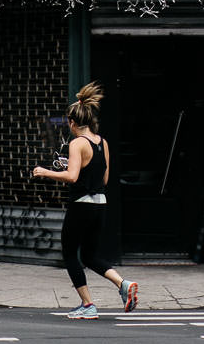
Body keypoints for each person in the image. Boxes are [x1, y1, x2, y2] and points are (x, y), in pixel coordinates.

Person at [32, 82, 138, 319]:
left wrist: (44, 172)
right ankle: (123, 284)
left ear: (72, 122)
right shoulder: (103, 142)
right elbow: (105, 176)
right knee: (90, 256)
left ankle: (88, 305)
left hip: (81, 204)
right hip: (100, 204)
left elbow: (72, 176)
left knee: (70, 253)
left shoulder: (77, 143)